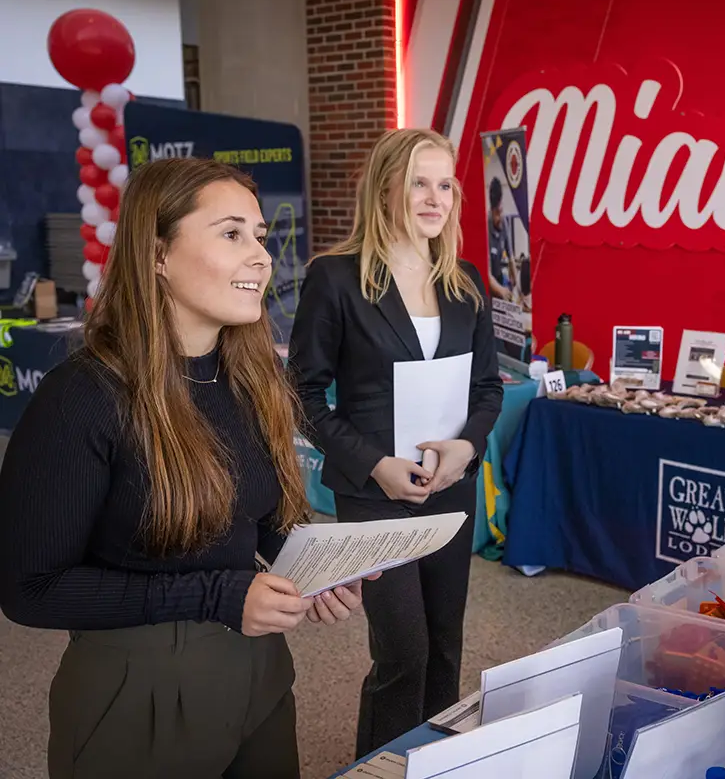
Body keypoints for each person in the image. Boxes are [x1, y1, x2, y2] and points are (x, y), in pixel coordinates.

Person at [0, 158, 368, 778]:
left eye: (259, 235)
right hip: (137, 690)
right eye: (231, 234)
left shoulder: (254, 380)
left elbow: (263, 519)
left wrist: (314, 565)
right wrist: (218, 594)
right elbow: (29, 589)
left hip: (259, 671)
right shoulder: (82, 396)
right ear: (157, 255)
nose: (261, 256)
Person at [288, 128, 502, 756]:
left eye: (444, 185)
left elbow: (487, 388)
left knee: (444, 645)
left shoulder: (464, 281)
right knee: (402, 652)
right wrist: (373, 463)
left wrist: (468, 448)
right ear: (384, 188)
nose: (434, 198)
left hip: (450, 489)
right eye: (418, 182)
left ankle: (436, 765)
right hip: (375, 493)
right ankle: (379, 768)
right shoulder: (336, 278)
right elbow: (302, 396)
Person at [486, 176, 513, 301]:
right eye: (497, 213)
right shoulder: (486, 229)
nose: (500, 216)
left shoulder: (504, 223)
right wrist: (501, 290)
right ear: (491, 211)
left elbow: (511, 258)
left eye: (501, 211)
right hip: (488, 284)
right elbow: (487, 274)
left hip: (499, 276)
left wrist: (515, 285)